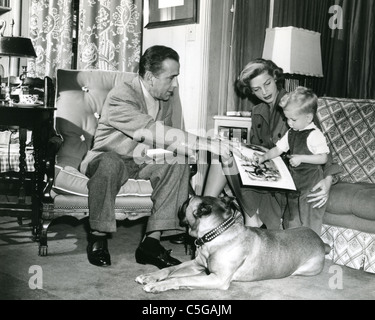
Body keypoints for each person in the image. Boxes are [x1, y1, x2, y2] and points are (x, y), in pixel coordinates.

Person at [80, 45, 236, 268]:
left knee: (178, 160)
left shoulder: (166, 97)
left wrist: (184, 150)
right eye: (171, 78)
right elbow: (150, 129)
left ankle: (151, 243)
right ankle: (98, 235)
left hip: (142, 159)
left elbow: (167, 138)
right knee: (110, 163)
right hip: (109, 156)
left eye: (177, 78)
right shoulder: (121, 95)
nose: (175, 84)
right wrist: (205, 142)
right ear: (151, 77)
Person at [204, 59, 342, 231]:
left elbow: (323, 151)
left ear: (275, 78)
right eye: (256, 89)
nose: (264, 91)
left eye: (267, 83)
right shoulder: (257, 111)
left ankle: (244, 219)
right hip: (269, 171)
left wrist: (328, 181)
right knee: (223, 154)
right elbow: (257, 148)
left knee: (226, 158)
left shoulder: (295, 105)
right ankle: (206, 212)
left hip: (291, 177)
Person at [255, 87, 330, 235]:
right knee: (292, 219)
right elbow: (278, 149)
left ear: (308, 118)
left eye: (293, 119)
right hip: (295, 184)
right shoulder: (292, 132)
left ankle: (313, 248)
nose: (289, 123)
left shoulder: (314, 135)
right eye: (286, 118)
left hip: (311, 186)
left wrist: (302, 158)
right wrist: (264, 157)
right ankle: (294, 248)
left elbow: (323, 157)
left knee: (308, 221)